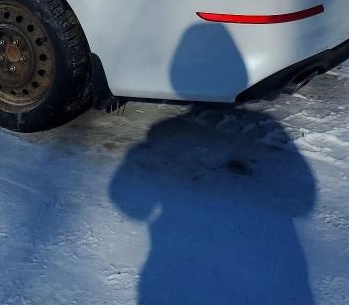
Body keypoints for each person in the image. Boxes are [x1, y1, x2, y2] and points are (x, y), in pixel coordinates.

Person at [108, 23, 317, 304]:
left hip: (176, 272)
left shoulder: (163, 132)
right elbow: (303, 202)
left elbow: (129, 203)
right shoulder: (268, 125)